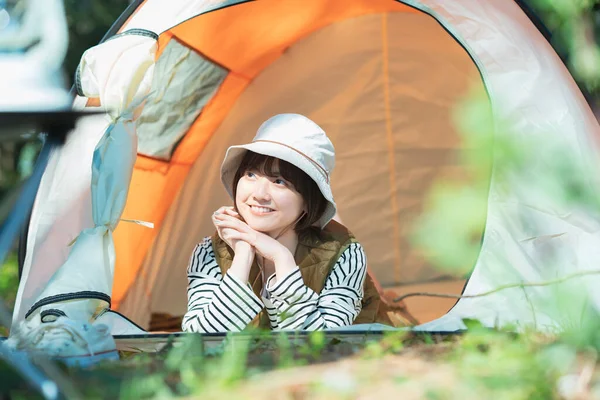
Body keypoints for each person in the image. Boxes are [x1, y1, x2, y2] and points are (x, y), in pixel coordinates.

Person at [182, 113, 370, 332]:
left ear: (308, 202)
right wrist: (243, 256)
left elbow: (324, 343)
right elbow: (199, 340)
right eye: (251, 174)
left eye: (279, 181)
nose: (259, 194)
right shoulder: (210, 252)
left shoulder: (343, 253)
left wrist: (282, 259)